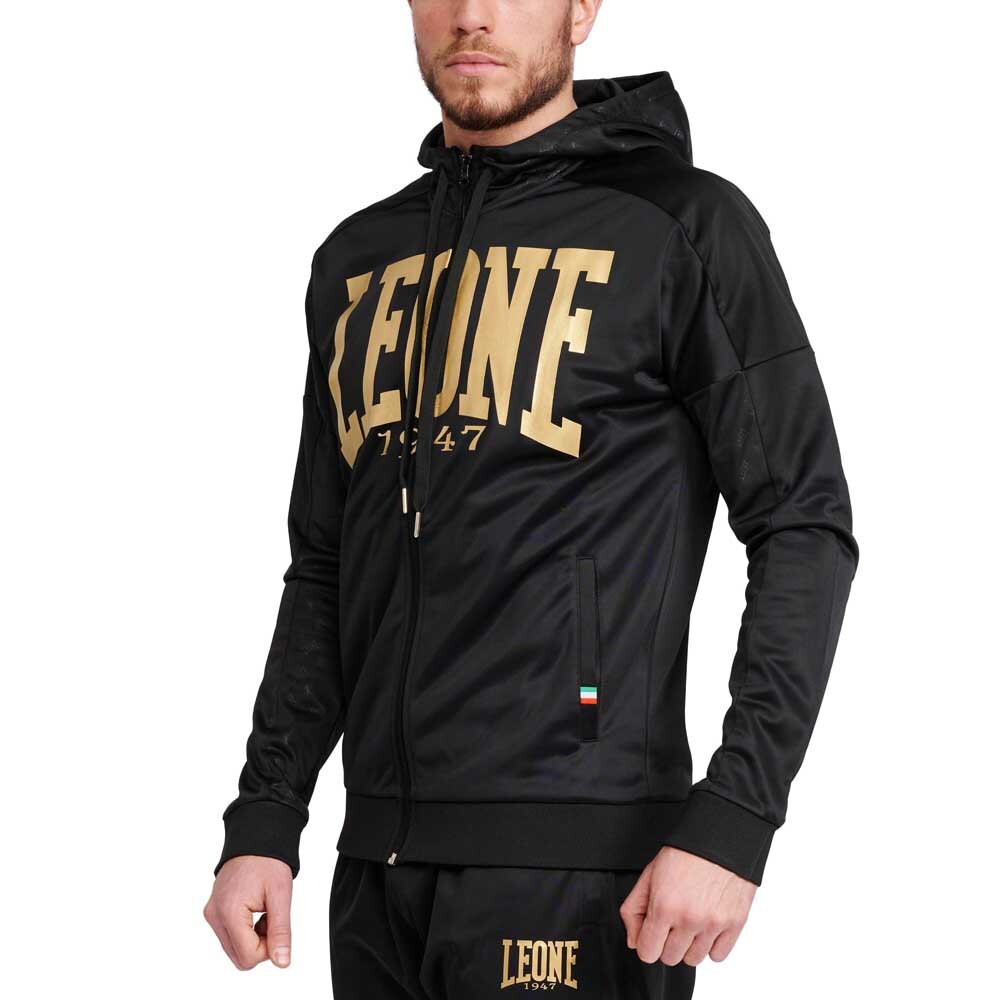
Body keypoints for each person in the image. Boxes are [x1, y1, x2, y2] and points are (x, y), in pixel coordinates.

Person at [203, 1, 860, 996]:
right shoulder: (359, 261)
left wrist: (735, 815)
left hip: (584, 867)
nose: (471, 16)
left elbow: (802, 523)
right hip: (375, 873)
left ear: (581, 8)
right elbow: (327, 563)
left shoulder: (681, 227)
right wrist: (267, 810)